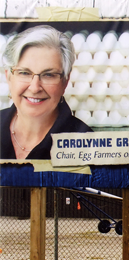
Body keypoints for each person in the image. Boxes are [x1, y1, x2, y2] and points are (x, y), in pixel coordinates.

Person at [1, 25, 92, 160]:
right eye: (25, 73)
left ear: (65, 82)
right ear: (8, 77)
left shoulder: (86, 144)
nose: (35, 87)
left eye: (48, 75)